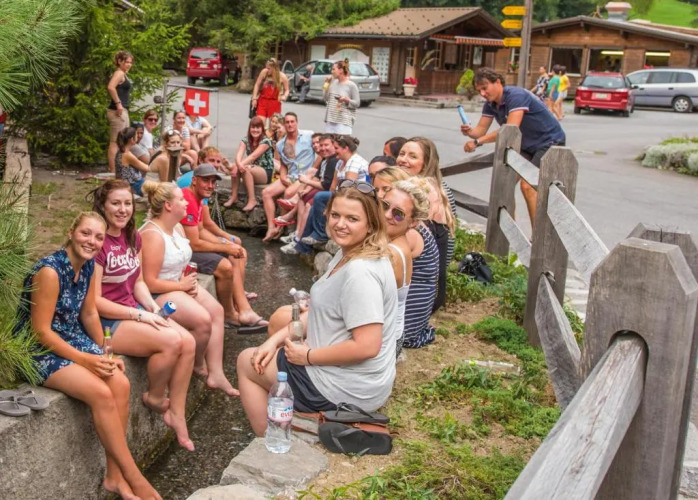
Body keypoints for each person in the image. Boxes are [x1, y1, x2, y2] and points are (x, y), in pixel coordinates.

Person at [15, 212, 162, 500]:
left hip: (70, 338)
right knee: (101, 393)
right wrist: (86, 360)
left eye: (98, 237)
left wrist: (104, 351)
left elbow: (90, 313)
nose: (91, 241)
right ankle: (134, 476)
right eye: (85, 233)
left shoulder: (90, 267)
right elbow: (41, 332)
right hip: (37, 349)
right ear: (70, 232)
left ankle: (114, 477)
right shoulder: (50, 271)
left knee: (120, 383)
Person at [237, 180, 398, 435]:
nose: (340, 224)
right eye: (335, 215)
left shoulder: (360, 273)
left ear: (371, 224)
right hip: (356, 379)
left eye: (352, 219)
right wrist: (272, 341)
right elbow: (318, 313)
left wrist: (308, 357)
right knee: (267, 348)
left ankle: (273, 439)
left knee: (246, 362)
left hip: (343, 388)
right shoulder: (351, 253)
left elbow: (368, 346)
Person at [90, 180, 196, 452]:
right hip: (107, 322)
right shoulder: (97, 243)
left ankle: (178, 414)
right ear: (103, 206)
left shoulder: (132, 237)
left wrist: (151, 308)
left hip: (132, 308)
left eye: (127, 203)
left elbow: (137, 282)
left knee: (189, 342)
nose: (122, 209)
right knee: (171, 341)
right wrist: (140, 317)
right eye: (115, 203)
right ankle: (155, 397)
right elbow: (95, 301)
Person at [139, 181, 237, 396]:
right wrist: (181, 285)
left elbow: (181, 260)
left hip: (178, 283)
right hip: (158, 292)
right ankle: (197, 364)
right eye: (181, 199)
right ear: (168, 205)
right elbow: (148, 281)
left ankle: (217, 372)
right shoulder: (152, 235)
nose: (186, 203)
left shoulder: (177, 227)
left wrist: (186, 280)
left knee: (217, 311)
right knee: (202, 320)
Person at [460, 67, 566, 227]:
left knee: (528, 186)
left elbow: (510, 129)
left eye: (485, 88)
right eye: (479, 90)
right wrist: (469, 132)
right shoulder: (490, 104)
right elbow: (479, 131)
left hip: (549, 142)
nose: (482, 93)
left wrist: (478, 142)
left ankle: (537, 236)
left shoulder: (516, 96)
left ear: (497, 82)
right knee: (505, 182)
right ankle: (509, 231)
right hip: (526, 145)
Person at [180, 164, 268, 331]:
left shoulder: (197, 198)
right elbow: (194, 243)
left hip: (188, 246)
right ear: (194, 180)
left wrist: (227, 244)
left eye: (213, 182)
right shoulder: (188, 199)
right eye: (206, 181)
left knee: (237, 253)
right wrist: (225, 247)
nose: (210, 186)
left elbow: (201, 230)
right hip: (183, 251)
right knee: (225, 266)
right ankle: (229, 314)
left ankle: (243, 307)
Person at [396, 137, 456, 313]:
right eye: (401, 153)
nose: (403, 159)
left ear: (425, 163)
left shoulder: (422, 191)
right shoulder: (436, 185)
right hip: (432, 288)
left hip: (420, 293)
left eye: (412, 156)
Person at [382, 180, 439, 352]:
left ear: (413, 222)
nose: (387, 215)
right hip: (406, 321)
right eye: (384, 205)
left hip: (404, 328)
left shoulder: (405, 241)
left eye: (398, 214)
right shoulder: (401, 233)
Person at [295, 135, 367, 249]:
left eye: (336, 148)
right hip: (341, 194)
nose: (335, 150)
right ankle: (302, 247)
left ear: (346, 148)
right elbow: (333, 187)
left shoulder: (354, 162)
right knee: (314, 206)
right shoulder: (340, 162)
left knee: (319, 197)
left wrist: (331, 204)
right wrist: (330, 203)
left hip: (355, 196)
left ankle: (321, 234)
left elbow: (349, 188)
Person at [280, 134, 338, 255]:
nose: (322, 148)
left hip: (328, 192)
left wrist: (307, 181)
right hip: (324, 190)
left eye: (326, 145)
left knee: (309, 206)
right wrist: (306, 190)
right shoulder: (325, 160)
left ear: (334, 145)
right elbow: (317, 178)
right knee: (302, 198)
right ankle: (297, 234)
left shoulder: (333, 161)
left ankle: (299, 240)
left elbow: (326, 185)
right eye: (321, 145)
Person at [261, 112, 315, 242]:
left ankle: (281, 227)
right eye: (287, 122)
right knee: (266, 192)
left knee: (288, 193)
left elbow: (320, 152)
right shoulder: (280, 144)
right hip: (291, 175)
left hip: (305, 176)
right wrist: (283, 177)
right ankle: (271, 227)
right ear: (284, 124)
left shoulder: (309, 136)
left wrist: (314, 171)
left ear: (297, 122)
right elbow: (284, 164)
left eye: (292, 122)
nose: (290, 124)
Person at [225, 116, 274, 210]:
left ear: (262, 129)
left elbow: (253, 156)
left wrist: (237, 166)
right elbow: (238, 155)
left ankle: (252, 200)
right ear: (249, 128)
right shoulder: (245, 140)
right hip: (251, 167)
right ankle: (234, 196)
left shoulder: (266, 141)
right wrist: (238, 165)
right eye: (253, 127)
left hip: (265, 172)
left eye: (258, 127)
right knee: (238, 167)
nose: (255, 130)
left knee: (243, 168)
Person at [107, 51, 133, 173]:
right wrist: (118, 103)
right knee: (115, 142)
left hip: (123, 110)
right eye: (126, 62)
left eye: (130, 62)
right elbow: (110, 87)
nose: (129, 64)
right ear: (119, 61)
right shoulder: (119, 73)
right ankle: (113, 171)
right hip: (117, 112)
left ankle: (120, 168)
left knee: (123, 141)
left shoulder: (123, 73)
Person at [323, 59, 360, 134]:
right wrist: (326, 84)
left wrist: (346, 100)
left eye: (333, 69)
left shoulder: (351, 85)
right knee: (329, 141)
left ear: (341, 70)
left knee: (342, 141)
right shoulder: (333, 83)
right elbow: (325, 98)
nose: (332, 72)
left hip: (344, 122)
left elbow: (357, 103)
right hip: (330, 120)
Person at [252, 58, 290, 124]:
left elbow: (287, 90)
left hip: (275, 102)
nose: (267, 69)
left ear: (274, 68)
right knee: (260, 123)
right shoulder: (264, 72)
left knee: (273, 124)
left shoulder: (282, 76)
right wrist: (254, 98)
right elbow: (257, 84)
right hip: (263, 100)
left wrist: (285, 96)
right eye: (266, 67)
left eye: (269, 68)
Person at [114, 127, 149, 196]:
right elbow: (146, 168)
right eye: (136, 135)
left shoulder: (120, 151)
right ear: (132, 139)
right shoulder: (127, 155)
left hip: (125, 183)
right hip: (133, 185)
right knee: (157, 188)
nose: (138, 137)